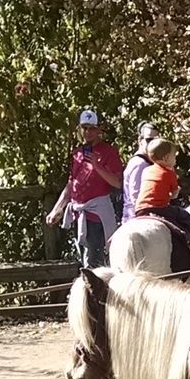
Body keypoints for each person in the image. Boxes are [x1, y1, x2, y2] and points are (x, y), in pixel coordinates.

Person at [46, 109, 123, 268]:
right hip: (78, 214)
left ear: (99, 129)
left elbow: (117, 183)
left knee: (93, 265)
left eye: (92, 128)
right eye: (85, 128)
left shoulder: (109, 152)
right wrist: (56, 209)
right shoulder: (77, 154)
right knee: (83, 260)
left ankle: (97, 292)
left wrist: (97, 165)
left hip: (96, 216)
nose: (88, 132)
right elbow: (71, 184)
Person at [134, 137, 190, 254]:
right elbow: (174, 194)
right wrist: (173, 195)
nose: (175, 158)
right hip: (159, 208)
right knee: (183, 214)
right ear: (166, 158)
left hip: (140, 209)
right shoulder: (169, 173)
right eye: (174, 156)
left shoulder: (147, 170)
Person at [121, 120, 159, 222]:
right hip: (136, 219)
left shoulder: (148, 162)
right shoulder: (140, 163)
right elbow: (136, 197)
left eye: (156, 140)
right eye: (149, 140)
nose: (152, 144)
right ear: (140, 140)